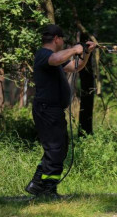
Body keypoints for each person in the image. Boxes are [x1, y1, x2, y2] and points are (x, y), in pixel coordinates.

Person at [25, 24, 96, 198]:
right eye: (62, 40)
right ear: (57, 39)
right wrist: (74, 48)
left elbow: (75, 67)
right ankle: (48, 189)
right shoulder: (44, 54)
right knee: (55, 148)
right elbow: (56, 59)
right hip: (46, 109)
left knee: (58, 148)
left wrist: (85, 52)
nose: (63, 42)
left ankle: (37, 184)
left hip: (53, 110)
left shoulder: (54, 57)